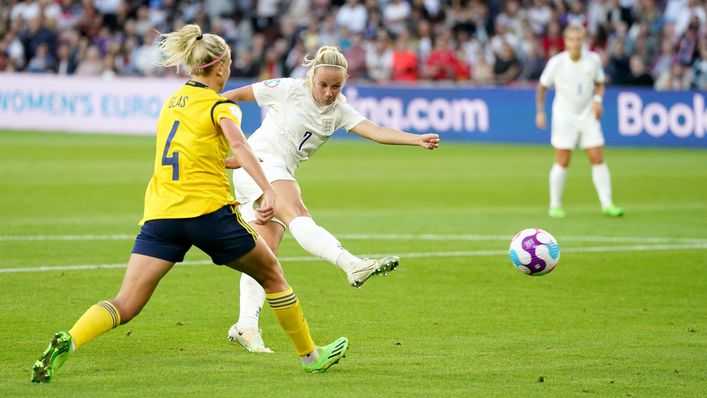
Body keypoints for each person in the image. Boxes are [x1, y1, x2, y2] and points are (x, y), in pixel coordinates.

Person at [30, 25, 349, 383]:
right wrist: (268, 189)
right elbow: (241, 147)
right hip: (208, 213)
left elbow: (196, 149)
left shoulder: (172, 101)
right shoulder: (221, 106)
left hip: (161, 214)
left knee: (126, 302)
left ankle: (69, 341)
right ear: (221, 67)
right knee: (273, 274)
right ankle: (310, 355)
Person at [221, 46, 440, 352]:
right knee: (297, 210)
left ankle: (246, 326)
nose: (327, 92)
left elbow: (375, 131)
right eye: (322, 85)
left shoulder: (339, 109)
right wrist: (207, 113)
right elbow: (233, 96)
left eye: (335, 87)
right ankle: (351, 264)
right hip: (260, 163)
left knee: (264, 256)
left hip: (270, 170)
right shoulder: (287, 89)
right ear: (311, 77)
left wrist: (415, 138)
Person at [535, 24, 623, 219]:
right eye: (571, 39)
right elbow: (542, 87)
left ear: (583, 41)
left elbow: (600, 82)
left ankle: (607, 204)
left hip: (588, 115)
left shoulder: (593, 60)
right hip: (564, 117)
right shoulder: (557, 63)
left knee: (597, 156)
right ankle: (555, 205)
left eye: (578, 39)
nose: (575, 43)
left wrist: (598, 101)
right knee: (563, 159)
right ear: (565, 42)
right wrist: (540, 112)